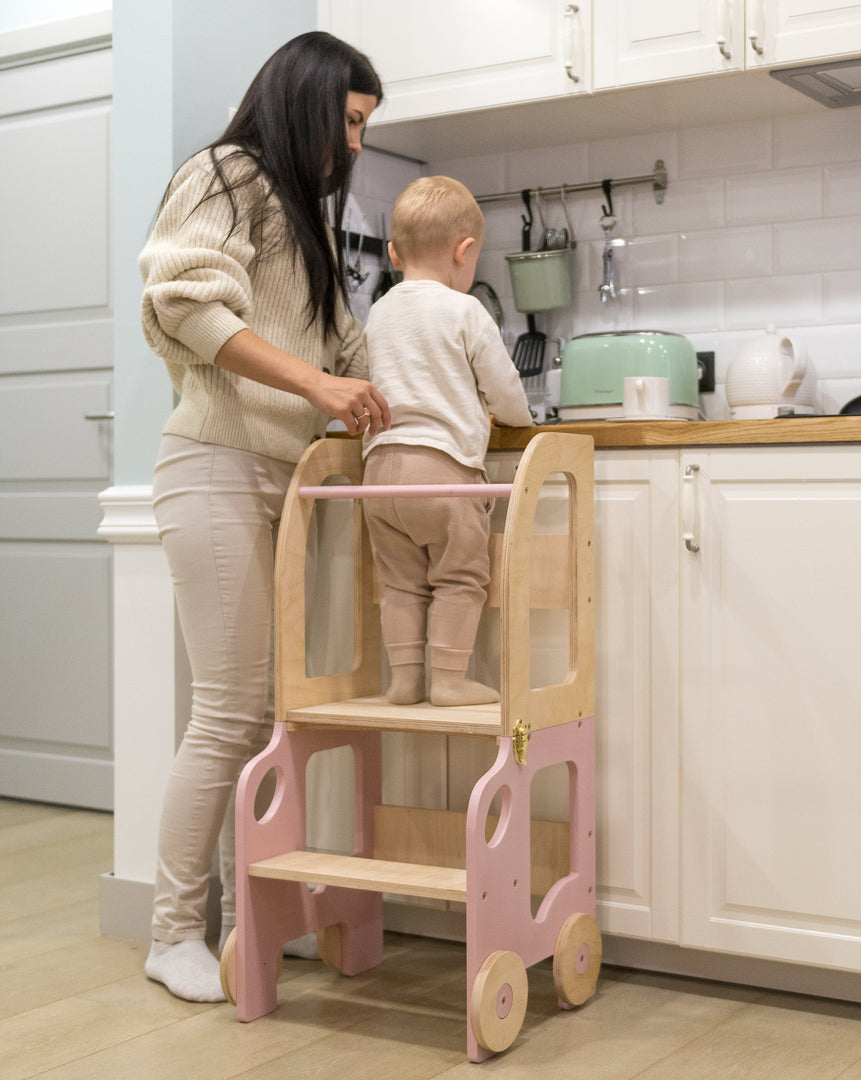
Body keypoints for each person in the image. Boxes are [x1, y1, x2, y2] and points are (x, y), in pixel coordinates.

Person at [138, 31, 390, 1004]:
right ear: (312, 102)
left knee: (272, 718)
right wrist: (322, 387)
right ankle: (170, 933)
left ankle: (253, 913)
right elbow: (190, 306)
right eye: (354, 121)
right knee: (229, 716)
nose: (359, 143)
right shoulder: (223, 177)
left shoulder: (310, 220)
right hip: (214, 467)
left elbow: (345, 345)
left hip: (283, 485)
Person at [359, 176, 533, 708]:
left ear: (392, 254)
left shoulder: (379, 312)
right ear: (466, 251)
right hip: (442, 469)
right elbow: (503, 388)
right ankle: (451, 680)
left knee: (401, 583)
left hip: (379, 471)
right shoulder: (465, 311)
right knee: (460, 577)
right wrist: (517, 418)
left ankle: (406, 678)